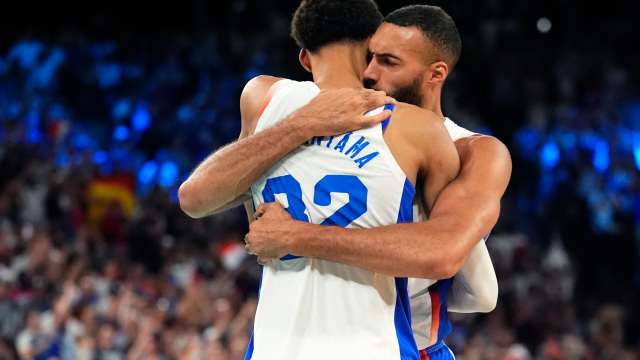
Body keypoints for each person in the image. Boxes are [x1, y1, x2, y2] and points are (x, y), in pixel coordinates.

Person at [182, 0, 463, 358]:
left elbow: (193, 199)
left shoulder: (264, 98)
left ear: (304, 58)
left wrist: (300, 125)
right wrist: (309, 121)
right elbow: (450, 261)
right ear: (372, 49)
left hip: (274, 348)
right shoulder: (418, 127)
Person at [245, 5, 512, 359]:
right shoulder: (330, 116)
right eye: (369, 56)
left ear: (435, 74)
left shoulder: (474, 151)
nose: (369, 72)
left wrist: (295, 237)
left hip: (403, 345)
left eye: (388, 62)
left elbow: (460, 270)